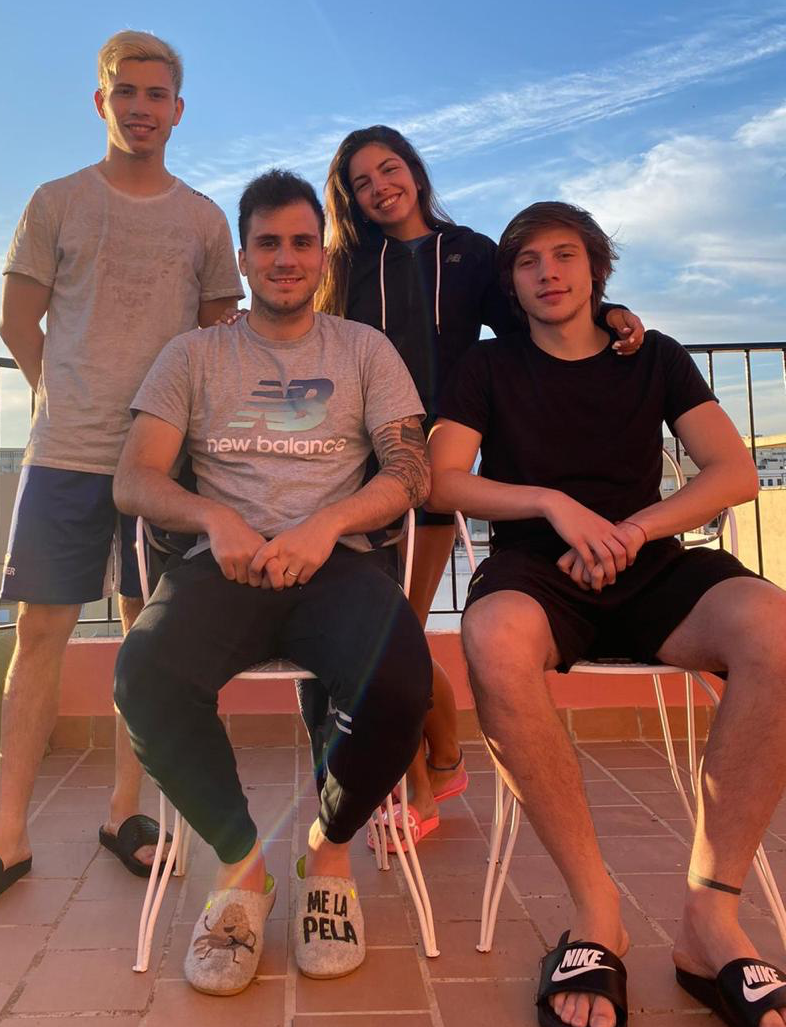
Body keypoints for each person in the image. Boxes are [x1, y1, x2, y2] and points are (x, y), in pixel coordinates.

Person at [427, 200, 786, 1027]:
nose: (547, 272)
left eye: (564, 255)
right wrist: (552, 503)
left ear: (596, 269)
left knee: (771, 626)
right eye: (527, 261)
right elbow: (443, 479)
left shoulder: (653, 354)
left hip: (651, 560)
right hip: (537, 570)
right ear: (511, 283)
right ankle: (597, 913)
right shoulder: (488, 364)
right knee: (491, 635)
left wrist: (632, 530)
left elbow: (732, 471)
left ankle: (711, 917)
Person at [0, 30, 243, 920]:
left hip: (161, 466)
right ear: (101, 101)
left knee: (147, 639)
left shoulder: (204, 220)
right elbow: (16, 323)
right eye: (126, 92)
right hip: (64, 455)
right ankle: (7, 835)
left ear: (178, 110)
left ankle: (123, 813)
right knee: (39, 635)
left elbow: (218, 342)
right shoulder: (56, 201)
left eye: (157, 94)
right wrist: (60, 396)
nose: (142, 108)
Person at [112, 169, 433, 995]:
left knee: (402, 682)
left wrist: (326, 524)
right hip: (223, 565)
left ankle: (328, 850)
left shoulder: (364, 350)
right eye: (268, 244)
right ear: (244, 257)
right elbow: (135, 479)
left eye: (301, 242)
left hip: (337, 563)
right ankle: (242, 864)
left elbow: (410, 471)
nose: (285, 258)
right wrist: (215, 518)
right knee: (144, 673)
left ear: (321, 255)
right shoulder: (194, 354)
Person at [317, 125, 645, 850]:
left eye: (389, 169)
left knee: (394, 630)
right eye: (361, 182)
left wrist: (608, 313)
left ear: (414, 171)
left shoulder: (470, 253)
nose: (379, 188)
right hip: (355, 467)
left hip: (437, 467)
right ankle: (441, 755)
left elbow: (539, 314)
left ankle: (417, 787)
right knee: (385, 629)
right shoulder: (344, 265)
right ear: (351, 199)